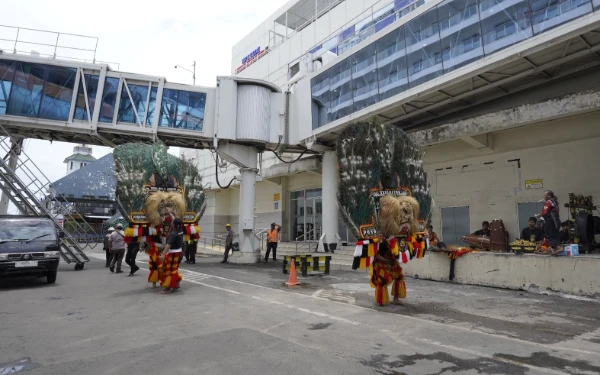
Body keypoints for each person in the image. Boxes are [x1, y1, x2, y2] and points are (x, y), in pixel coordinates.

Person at [159, 218, 184, 294]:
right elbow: (176, 221)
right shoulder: (180, 231)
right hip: (179, 253)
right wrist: (171, 215)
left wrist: (163, 255)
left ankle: (168, 288)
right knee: (174, 269)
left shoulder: (173, 234)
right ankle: (176, 284)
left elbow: (168, 245)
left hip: (173, 254)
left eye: (172, 223)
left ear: (174, 225)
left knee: (168, 271)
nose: (171, 224)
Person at [535, 190, 562, 255]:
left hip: (551, 220)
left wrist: (540, 216)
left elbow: (545, 212)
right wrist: (540, 214)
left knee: (547, 234)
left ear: (549, 196)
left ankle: (558, 248)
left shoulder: (548, 202)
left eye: (545, 195)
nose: (544, 196)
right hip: (556, 220)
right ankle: (553, 249)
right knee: (553, 235)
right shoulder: (554, 202)